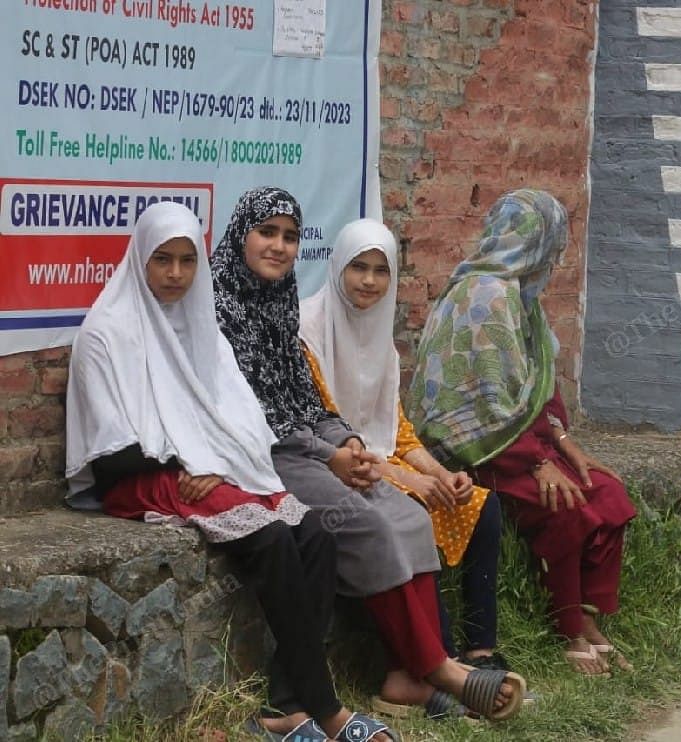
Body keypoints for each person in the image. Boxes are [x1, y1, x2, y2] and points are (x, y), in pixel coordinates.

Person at [64, 202, 396, 742]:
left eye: (186, 261)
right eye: (162, 261)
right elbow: (109, 454)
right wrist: (188, 462)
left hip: (206, 468)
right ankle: (325, 707)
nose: (175, 275)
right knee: (271, 539)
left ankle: (285, 707)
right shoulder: (107, 333)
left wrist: (216, 463)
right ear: (140, 260)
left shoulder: (202, 327)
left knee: (313, 534)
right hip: (141, 475)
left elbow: (239, 415)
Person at [210, 186, 526, 721]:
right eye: (267, 233)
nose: (280, 247)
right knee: (368, 521)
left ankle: (409, 675)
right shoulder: (221, 310)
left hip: (317, 448)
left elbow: (312, 403)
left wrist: (347, 442)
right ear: (241, 235)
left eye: (289, 236)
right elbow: (256, 415)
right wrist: (336, 452)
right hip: (262, 455)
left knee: (405, 513)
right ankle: (439, 669)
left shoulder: (278, 303)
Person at [407, 189, 637, 676]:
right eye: (551, 242)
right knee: (565, 505)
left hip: (518, 440)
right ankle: (570, 627)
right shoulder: (486, 295)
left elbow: (538, 388)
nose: (556, 253)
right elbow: (491, 402)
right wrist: (538, 461)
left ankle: (590, 617)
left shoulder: (522, 297)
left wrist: (564, 444)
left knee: (608, 492)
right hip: (472, 448)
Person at [299, 218, 511, 672]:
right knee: (413, 511)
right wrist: (402, 476)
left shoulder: (382, 343)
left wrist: (439, 474)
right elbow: (323, 427)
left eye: (381, 270)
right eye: (359, 267)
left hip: (383, 457)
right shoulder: (308, 333)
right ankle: (443, 660)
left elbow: (397, 431)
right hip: (337, 465)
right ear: (338, 268)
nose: (370, 281)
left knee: (477, 504)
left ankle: (482, 651)